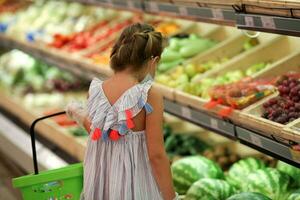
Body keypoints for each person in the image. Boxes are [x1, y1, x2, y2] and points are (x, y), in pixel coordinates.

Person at [66, 23, 178, 200]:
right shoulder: (148, 95)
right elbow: (156, 155)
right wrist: (171, 197)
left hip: (101, 185)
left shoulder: (95, 90)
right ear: (153, 61)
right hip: (136, 186)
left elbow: (98, 132)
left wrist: (76, 112)